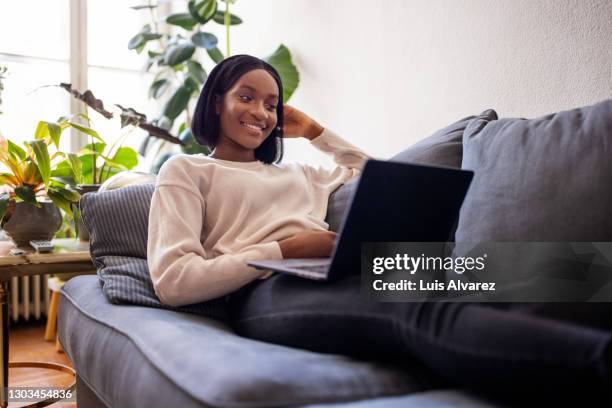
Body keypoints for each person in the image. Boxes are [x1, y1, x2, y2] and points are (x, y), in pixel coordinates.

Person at [147, 55, 611, 402]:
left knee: (514, 269)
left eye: (272, 103)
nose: (262, 113)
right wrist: (283, 250)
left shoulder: (302, 175)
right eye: (245, 97)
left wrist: (315, 132)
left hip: (347, 264)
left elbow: (380, 175)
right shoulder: (186, 171)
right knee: (412, 309)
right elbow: (173, 280)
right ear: (214, 102)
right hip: (271, 288)